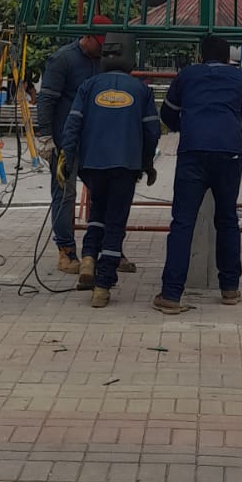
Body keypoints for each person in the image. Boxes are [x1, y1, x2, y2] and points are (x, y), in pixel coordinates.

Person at [154, 34, 242, 313]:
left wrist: (188, 126)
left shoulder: (187, 75)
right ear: (227, 58)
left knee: (182, 222)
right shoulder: (240, 79)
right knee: (227, 220)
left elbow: (167, 114)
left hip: (193, 152)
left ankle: (171, 294)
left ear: (201, 57)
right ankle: (230, 288)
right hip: (229, 153)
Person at [60, 34, 160, 308]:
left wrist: (67, 158)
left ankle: (88, 258)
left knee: (97, 213)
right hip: (125, 165)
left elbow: (73, 124)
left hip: (93, 165)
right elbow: (152, 131)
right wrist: (147, 163)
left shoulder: (89, 85)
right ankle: (103, 285)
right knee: (115, 222)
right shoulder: (141, 90)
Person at [35, 16, 112, 273]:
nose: (101, 49)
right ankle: (66, 251)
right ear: (86, 37)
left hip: (95, 140)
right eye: (98, 43)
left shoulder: (102, 61)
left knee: (105, 193)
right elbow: (46, 100)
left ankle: (108, 248)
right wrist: (45, 136)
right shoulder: (62, 60)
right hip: (64, 141)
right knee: (64, 194)